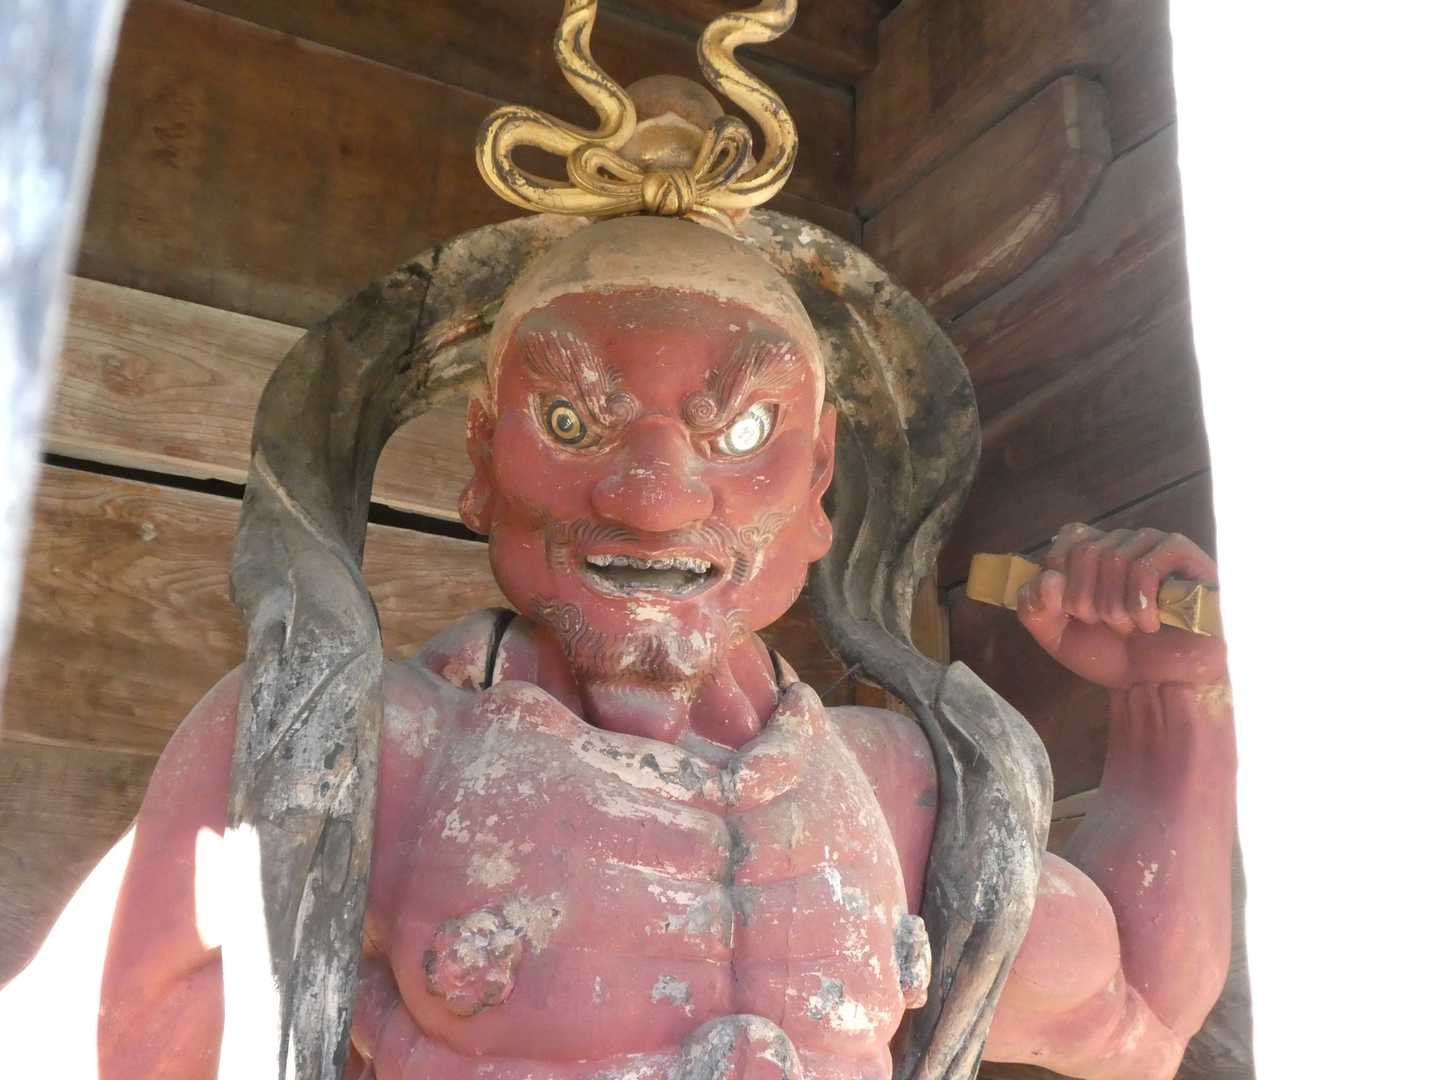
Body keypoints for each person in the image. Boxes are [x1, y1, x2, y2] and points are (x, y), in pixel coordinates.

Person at [2, 217, 1232, 1080]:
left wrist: (1176, 705)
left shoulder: (899, 793)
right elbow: (80, 1046)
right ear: (482, 463)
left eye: (741, 431)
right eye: (571, 419)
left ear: (819, 487)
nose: (654, 497)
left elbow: (1133, 1018)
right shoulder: (357, 752)